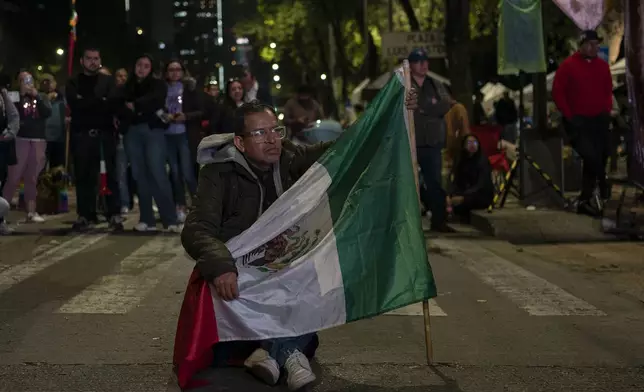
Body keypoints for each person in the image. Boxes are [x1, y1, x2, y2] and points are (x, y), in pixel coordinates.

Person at [181, 102, 332, 390]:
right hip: (239, 269)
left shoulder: (289, 157)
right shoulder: (218, 172)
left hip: (281, 261)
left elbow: (342, 151)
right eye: (261, 133)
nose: (273, 139)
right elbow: (197, 229)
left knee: (314, 270)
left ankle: (273, 354)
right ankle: (290, 353)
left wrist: (393, 110)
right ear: (240, 142)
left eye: (276, 130)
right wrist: (222, 267)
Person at [552, 30, 613, 215]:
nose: (594, 47)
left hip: (598, 120)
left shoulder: (602, 66)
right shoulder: (568, 66)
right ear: (581, 45)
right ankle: (603, 185)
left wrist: (606, 110)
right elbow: (558, 92)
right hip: (578, 122)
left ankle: (585, 200)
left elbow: (607, 89)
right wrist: (569, 115)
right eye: (590, 44)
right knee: (590, 156)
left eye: (596, 44)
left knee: (599, 156)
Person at [66, 47, 124, 231]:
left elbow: (114, 103)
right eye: (89, 58)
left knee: (110, 175)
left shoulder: (108, 81)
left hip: (105, 135)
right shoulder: (73, 82)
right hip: (82, 135)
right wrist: (101, 101)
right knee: (84, 176)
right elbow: (76, 105)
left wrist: (90, 102)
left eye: (96, 58)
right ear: (82, 61)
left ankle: (113, 213)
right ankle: (85, 214)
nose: (93, 61)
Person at [121, 54, 181, 233]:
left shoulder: (157, 84)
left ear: (151, 68)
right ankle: (146, 219)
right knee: (140, 174)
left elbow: (155, 101)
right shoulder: (128, 85)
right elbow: (119, 103)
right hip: (132, 132)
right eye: (139, 64)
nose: (142, 68)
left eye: (146, 65)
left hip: (153, 131)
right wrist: (136, 108)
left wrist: (136, 106)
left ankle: (170, 219)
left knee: (157, 172)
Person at [406, 48, 451, 231]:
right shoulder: (406, 84)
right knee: (409, 181)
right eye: (418, 61)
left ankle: (439, 220)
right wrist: (430, 107)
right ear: (411, 64)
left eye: (425, 60)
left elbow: (446, 103)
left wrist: (423, 108)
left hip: (432, 141)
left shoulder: (435, 84)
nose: (423, 64)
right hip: (411, 141)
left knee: (434, 181)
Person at [2, 71, 51, 223]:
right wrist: (21, 95)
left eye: (29, 79)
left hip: (38, 140)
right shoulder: (13, 96)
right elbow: (11, 114)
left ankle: (31, 211)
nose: (26, 82)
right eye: (22, 80)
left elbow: (47, 112)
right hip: (20, 139)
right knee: (13, 177)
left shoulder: (41, 96)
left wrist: (36, 95)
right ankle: (2, 213)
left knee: (32, 177)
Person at [163, 60, 201, 222]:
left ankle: (198, 207)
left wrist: (186, 116)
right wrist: (165, 116)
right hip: (167, 134)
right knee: (175, 172)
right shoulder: (162, 88)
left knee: (187, 172)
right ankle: (180, 206)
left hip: (184, 134)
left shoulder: (190, 88)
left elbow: (201, 110)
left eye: (178, 69)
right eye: (171, 69)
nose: (174, 73)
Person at [447, 134, 494, 222]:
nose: (472, 145)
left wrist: (464, 197)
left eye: (474, 142)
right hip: (464, 191)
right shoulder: (460, 159)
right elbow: (454, 179)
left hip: (480, 193)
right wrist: (450, 194)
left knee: (467, 202)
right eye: (469, 142)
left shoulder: (482, 161)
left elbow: (481, 184)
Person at [0, 86, 20, 234]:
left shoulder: (3, 94)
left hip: (1, 147)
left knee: (1, 182)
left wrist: (9, 133)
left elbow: (13, 116)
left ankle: (0, 222)